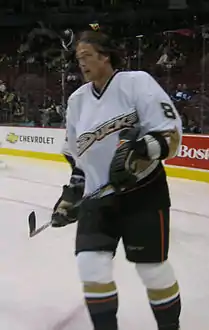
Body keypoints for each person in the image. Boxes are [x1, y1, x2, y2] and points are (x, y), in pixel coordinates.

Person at [59, 30, 183, 330]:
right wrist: (71, 196)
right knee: (90, 266)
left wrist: (138, 152)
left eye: (86, 56)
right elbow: (79, 161)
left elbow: (171, 137)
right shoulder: (77, 101)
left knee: (152, 270)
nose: (81, 64)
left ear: (105, 55)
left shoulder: (136, 83)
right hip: (97, 200)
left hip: (142, 192)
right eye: (78, 59)